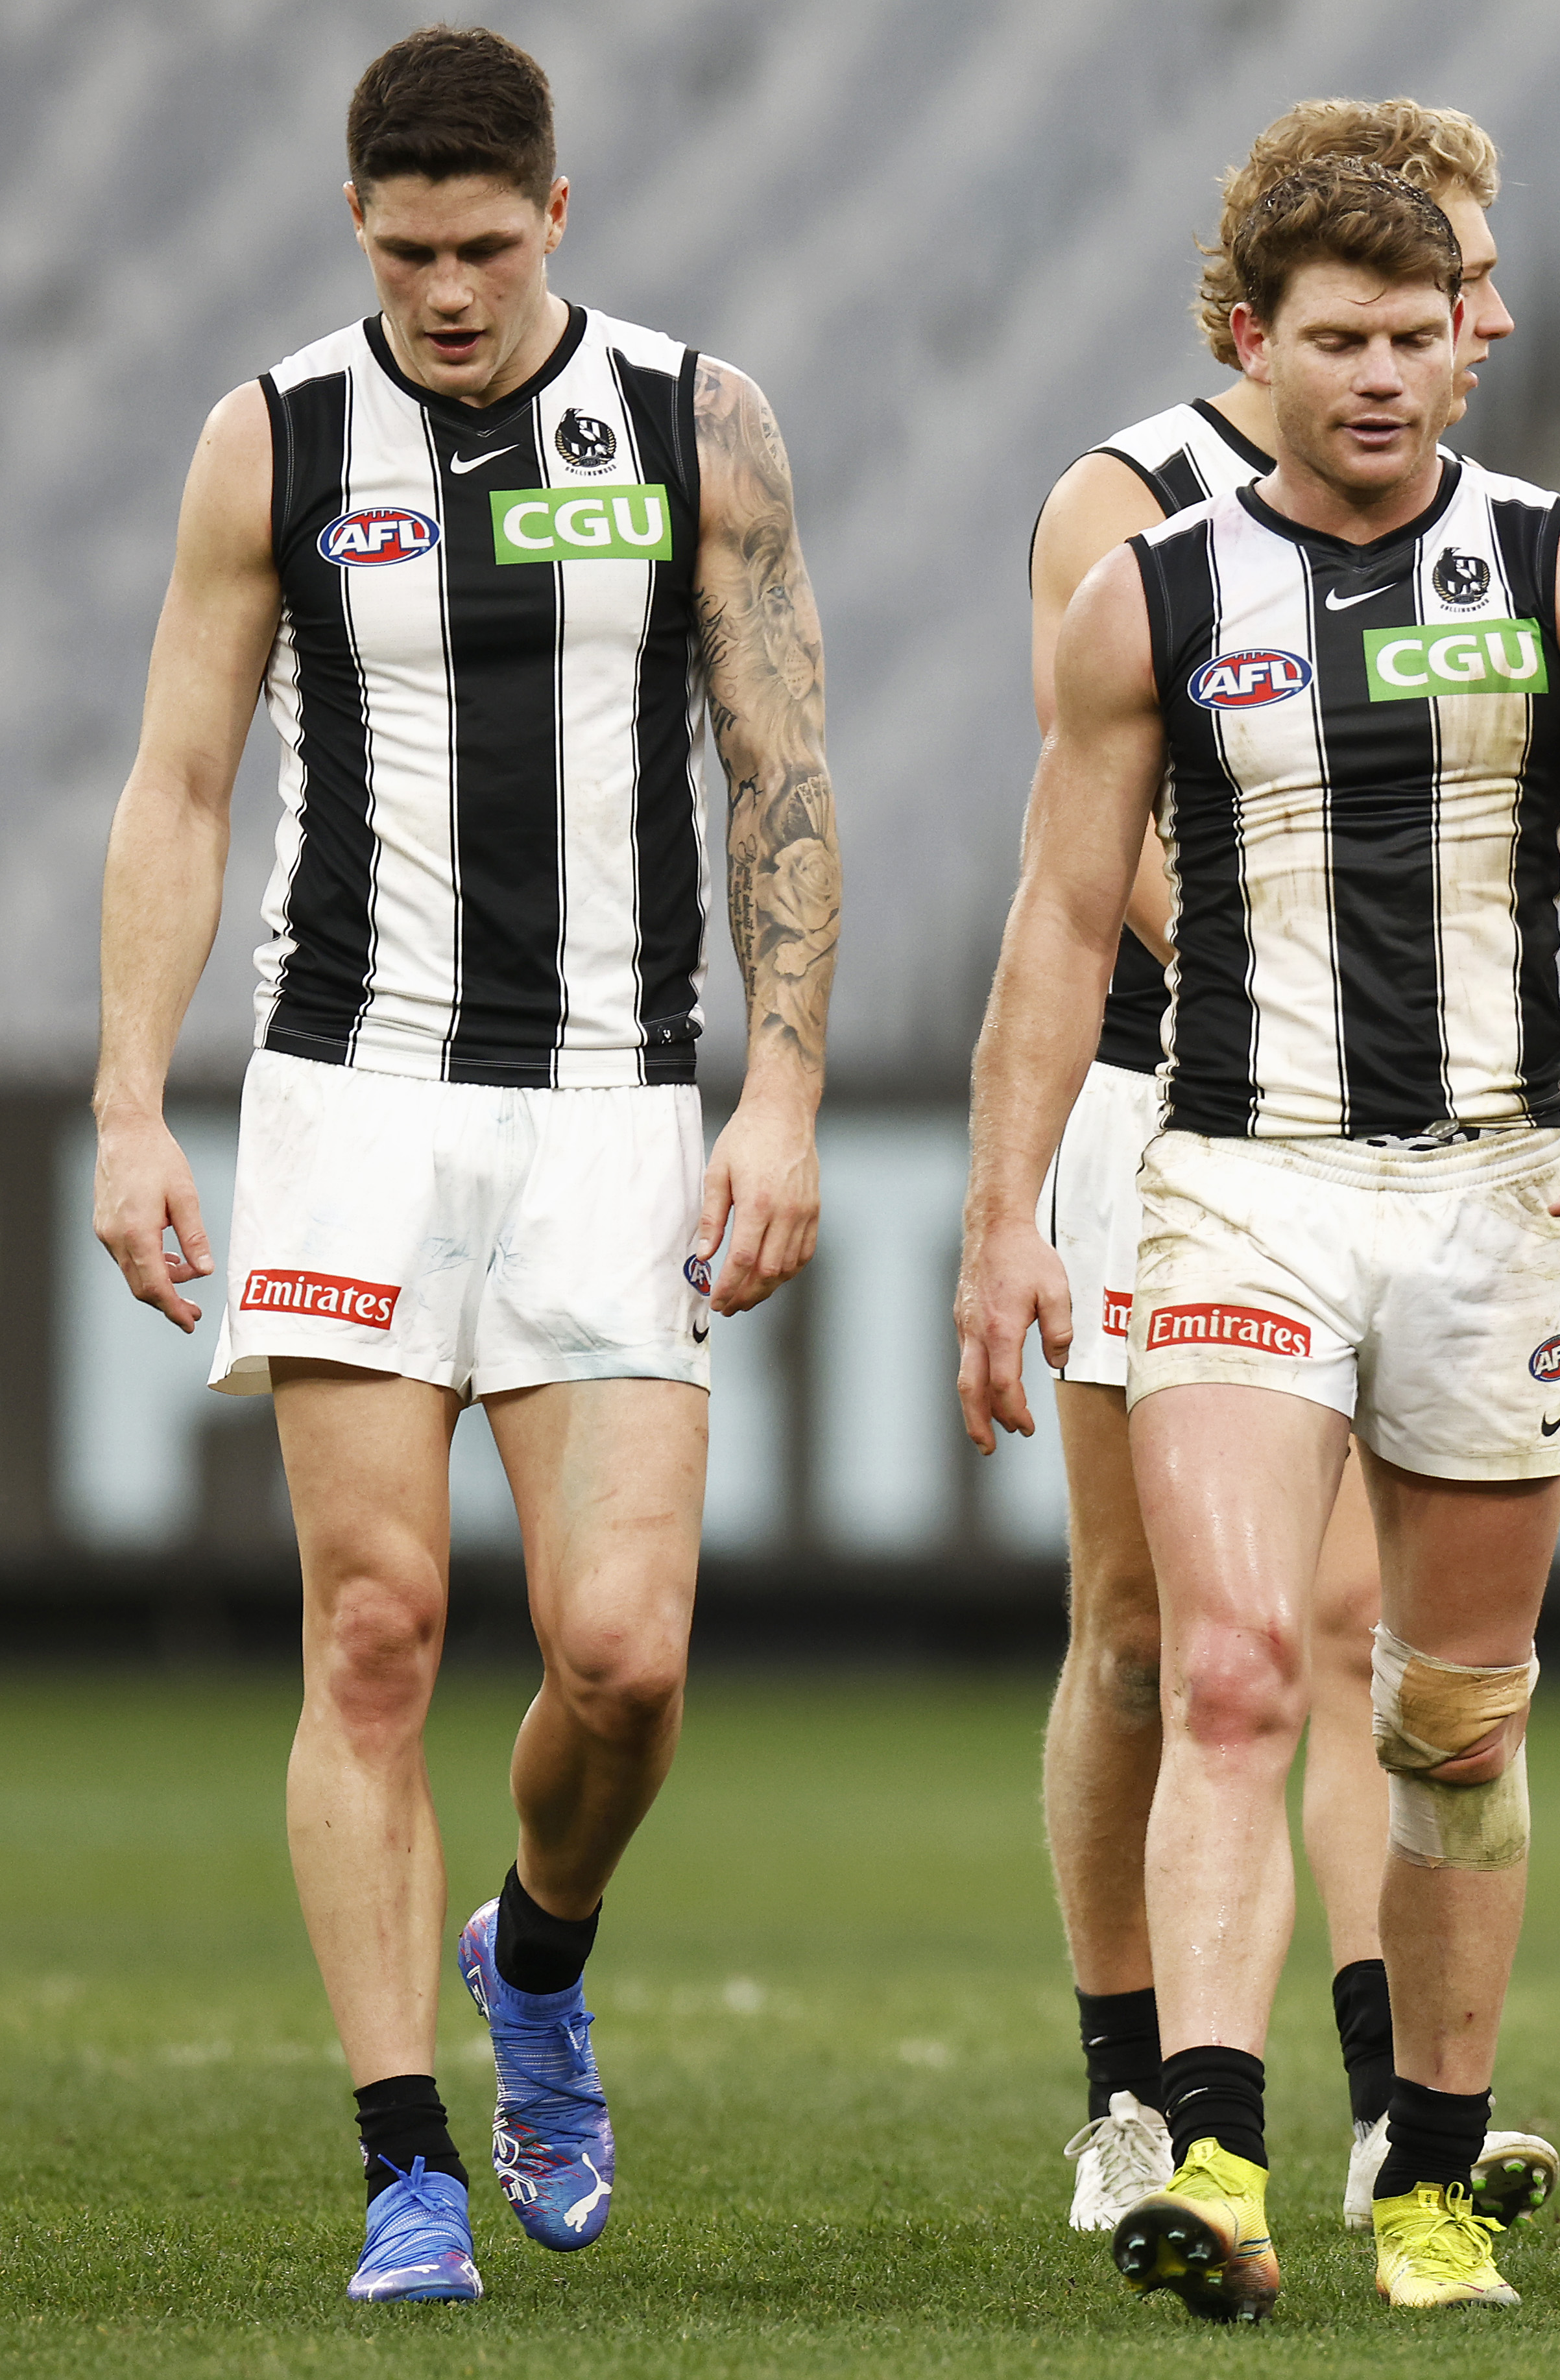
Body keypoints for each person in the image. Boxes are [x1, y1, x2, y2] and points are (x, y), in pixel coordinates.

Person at [86, 28, 836, 2305]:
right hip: (354, 1097)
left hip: (614, 1099)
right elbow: (181, 782)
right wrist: (130, 1098)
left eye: (486, 248)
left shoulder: (697, 424)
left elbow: (780, 769)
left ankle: (538, 1952)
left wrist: (783, 1093)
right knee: (379, 1625)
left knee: (623, 1661)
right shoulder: (277, 437)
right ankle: (406, 2161)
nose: (444, 291)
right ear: (356, 225)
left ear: (559, 216)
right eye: (406, 250)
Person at [954, 161, 1560, 2318]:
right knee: (1228, 1669)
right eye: (1337, 339)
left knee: (1456, 1721)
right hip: (1240, 1181)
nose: (1381, 375)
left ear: (1461, 336)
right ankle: (1214, 2162)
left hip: (1490, 1192)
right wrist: (1003, 1217)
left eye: (1414, 335)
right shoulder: (1154, 594)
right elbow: (1056, 923)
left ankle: (1433, 2178)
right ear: (1252, 344)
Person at [1024, 95, 1540, 2241]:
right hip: (1170, 1101)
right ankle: (1128, 2089)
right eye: (1440, 277)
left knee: (1346, 1638)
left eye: (1468, 289)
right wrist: (1307, 990)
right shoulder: (1129, 504)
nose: (1473, 321)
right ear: (1274, 307)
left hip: (1395, 1141)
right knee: (1149, 1631)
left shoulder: (1467, 525)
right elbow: (1108, 850)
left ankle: (1377, 2098)